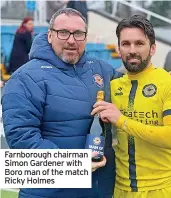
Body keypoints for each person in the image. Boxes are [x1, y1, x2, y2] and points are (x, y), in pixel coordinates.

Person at [2, 8, 119, 198]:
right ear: (49, 36)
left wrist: (163, 79)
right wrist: (74, 165)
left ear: (85, 37)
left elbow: (132, 84)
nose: (71, 40)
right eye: (63, 33)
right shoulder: (25, 78)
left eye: (78, 34)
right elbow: (22, 138)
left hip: (100, 189)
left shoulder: (100, 68)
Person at [91, 15, 171, 198]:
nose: (132, 50)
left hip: (163, 189)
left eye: (139, 43)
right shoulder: (112, 86)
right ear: (119, 49)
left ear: (152, 48)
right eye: (126, 44)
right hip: (121, 190)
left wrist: (122, 121)